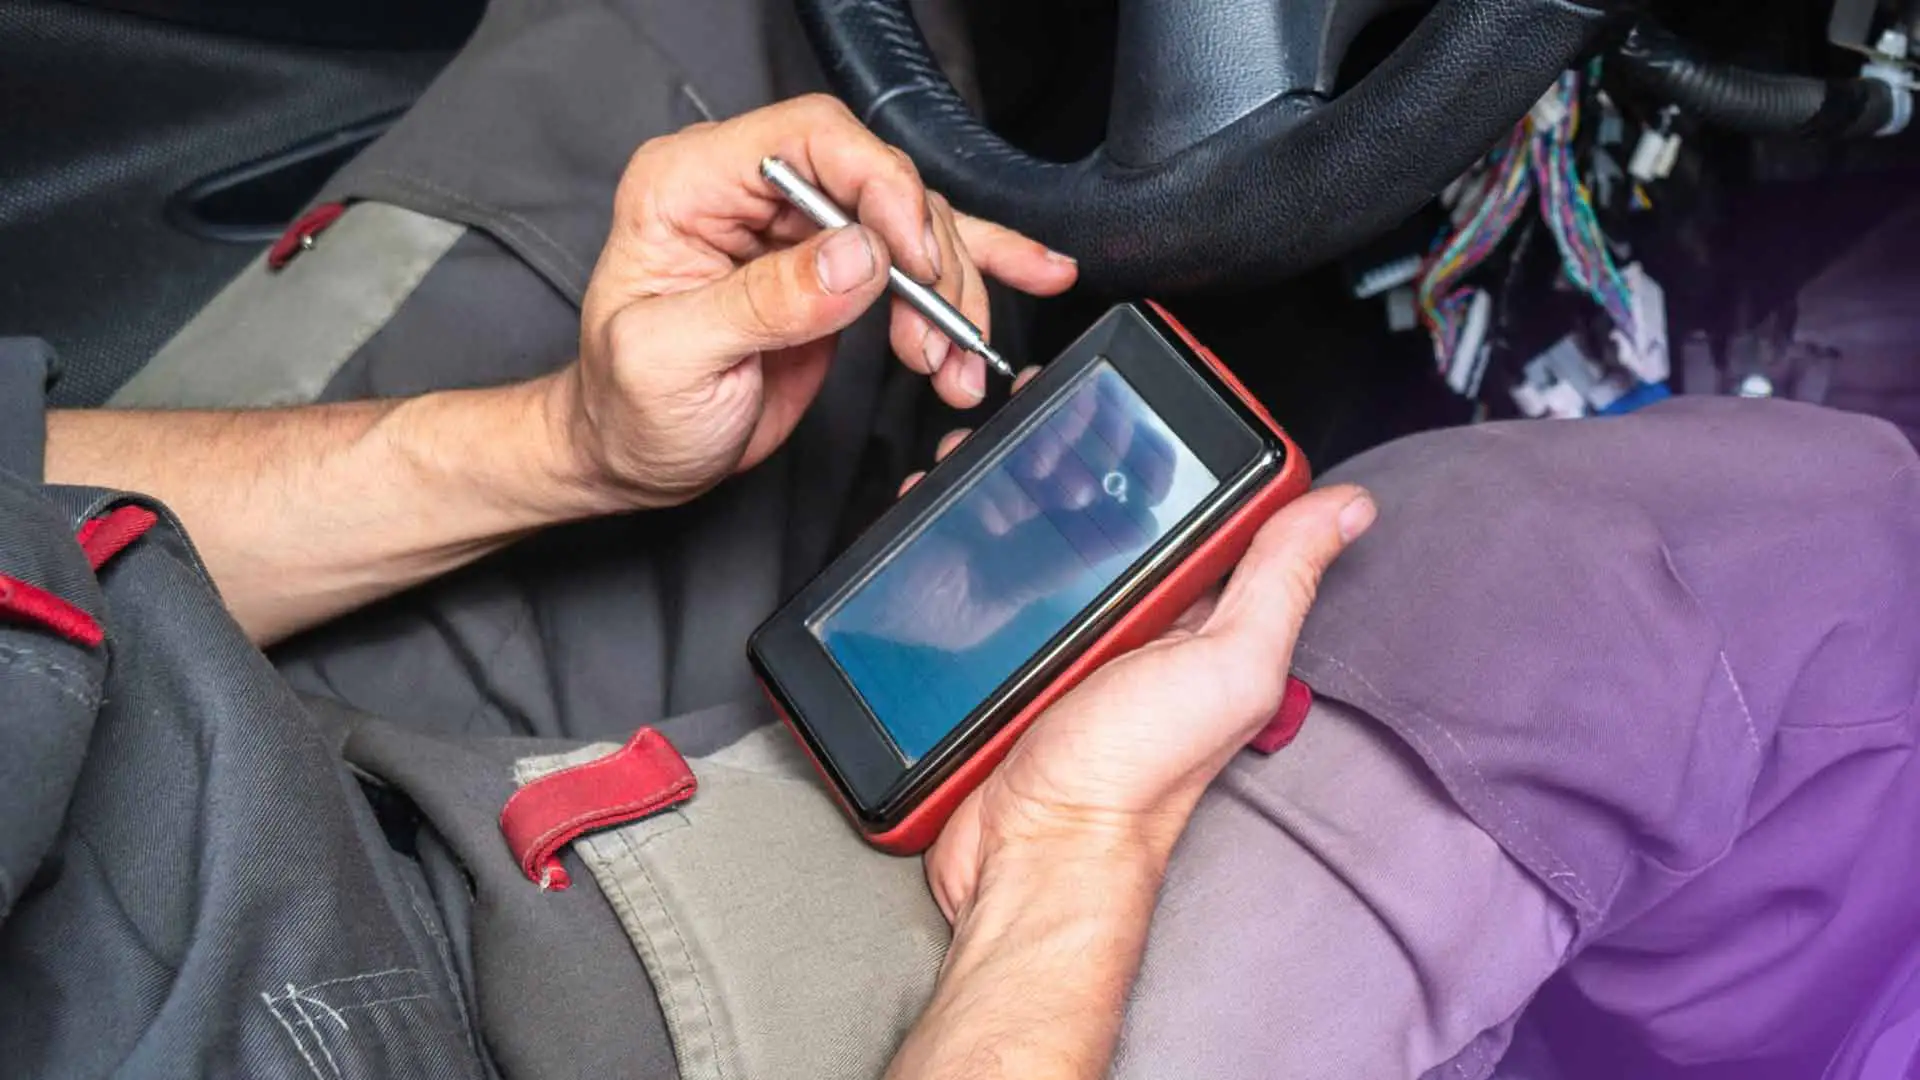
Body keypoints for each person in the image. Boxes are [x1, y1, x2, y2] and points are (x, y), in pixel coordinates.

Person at [6, 28, 1920, 1080]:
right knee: (1753, 579)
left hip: (182, 730)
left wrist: (566, 445)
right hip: (506, 1032)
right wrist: (1065, 884)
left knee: (722, 43)